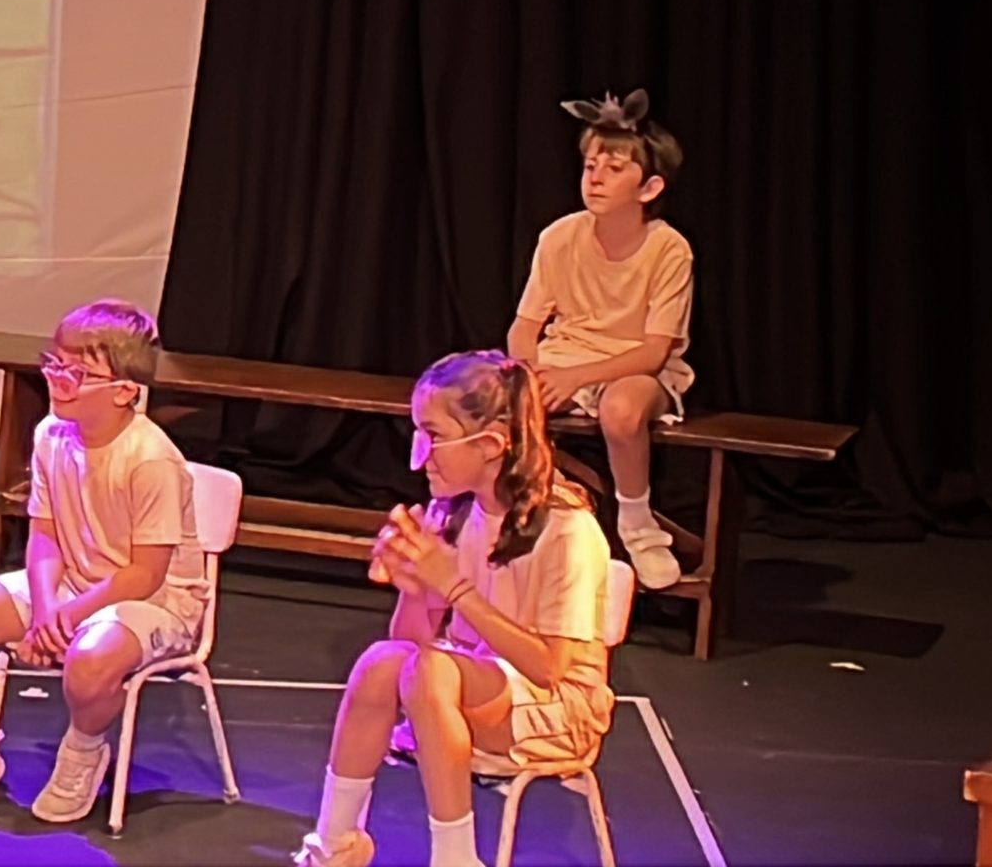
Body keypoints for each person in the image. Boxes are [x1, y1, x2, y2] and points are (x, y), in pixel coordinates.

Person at [0, 299, 205, 824]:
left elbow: (145, 574)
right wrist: (48, 606)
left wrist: (65, 619)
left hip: (157, 602)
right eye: (55, 363)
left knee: (90, 660)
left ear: (125, 390)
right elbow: (46, 535)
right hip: (78, 584)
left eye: (77, 373)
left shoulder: (150, 460)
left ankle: (83, 754)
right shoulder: (51, 434)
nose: (57, 379)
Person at [296, 351, 615, 867]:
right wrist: (414, 583)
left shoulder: (568, 531)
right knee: (381, 662)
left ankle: (455, 860)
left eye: (434, 436)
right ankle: (336, 846)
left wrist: (455, 586)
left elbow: (549, 669)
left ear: (490, 444)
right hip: (468, 683)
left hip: (557, 712)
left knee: (432, 673)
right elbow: (409, 645)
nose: (419, 457)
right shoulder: (453, 512)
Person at [508, 90, 694, 587]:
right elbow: (524, 327)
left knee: (622, 409)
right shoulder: (559, 236)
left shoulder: (668, 250)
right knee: (493, 396)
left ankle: (637, 525)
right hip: (564, 358)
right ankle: (529, 511)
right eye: (591, 166)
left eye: (613, 169)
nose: (595, 178)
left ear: (649, 187)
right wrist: (530, 372)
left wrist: (577, 376)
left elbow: (654, 351)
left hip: (634, 368)